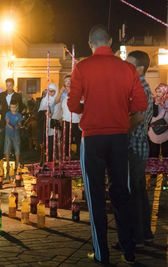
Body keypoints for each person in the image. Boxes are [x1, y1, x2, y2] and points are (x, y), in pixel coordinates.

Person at [68, 25, 147, 264]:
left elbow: (72, 105)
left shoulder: (81, 67)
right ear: (110, 41)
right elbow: (140, 104)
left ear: (90, 43)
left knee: (94, 195)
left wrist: (87, 109)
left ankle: (102, 253)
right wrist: (120, 110)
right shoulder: (128, 68)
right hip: (119, 137)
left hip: (92, 138)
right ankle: (128, 249)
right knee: (121, 192)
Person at [125, 50, 154, 248]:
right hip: (137, 144)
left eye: (130, 64)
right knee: (139, 191)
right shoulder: (138, 85)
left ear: (140, 68)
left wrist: (119, 130)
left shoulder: (141, 87)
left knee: (134, 191)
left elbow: (138, 117)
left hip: (135, 145)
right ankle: (145, 233)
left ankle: (136, 237)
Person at [55, 75, 82, 159]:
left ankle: (78, 155)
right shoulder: (62, 93)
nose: (68, 82)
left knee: (78, 138)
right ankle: (66, 155)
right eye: (66, 80)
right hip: (66, 118)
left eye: (70, 80)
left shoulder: (76, 91)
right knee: (66, 139)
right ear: (64, 82)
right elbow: (56, 101)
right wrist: (60, 93)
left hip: (76, 118)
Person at [0, 78, 23, 161]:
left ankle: (14, 157)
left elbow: (21, 107)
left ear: (13, 85)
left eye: (10, 85)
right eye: (7, 85)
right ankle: (0, 157)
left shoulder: (17, 96)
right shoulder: (2, 95)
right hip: (4, 121)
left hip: (14, 120)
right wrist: (2, 113)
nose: (8, 87)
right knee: (2, 139)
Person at [38, 84, 57, 162]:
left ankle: (53, 158)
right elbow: (40, 112)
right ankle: (47, 158)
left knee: (53, 141)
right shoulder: (44, 100)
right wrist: (45, 112)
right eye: (49, 91)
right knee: (47, 141)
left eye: (53, 91)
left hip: (54, 123)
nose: (51, 93)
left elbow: (59, 110)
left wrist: (53, 114)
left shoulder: (57, 99)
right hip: (46, 124)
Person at [148, 83, 168, 156]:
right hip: (154, 130)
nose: (157, 93)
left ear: (165, 91)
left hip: (165, 130)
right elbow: (154, 114)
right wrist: (156, 104)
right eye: (157, 91)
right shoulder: (154, 100)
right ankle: (154, 166)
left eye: (160, 91)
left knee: (165, 152)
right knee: (153, 152)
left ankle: (165, 167)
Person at [4, 99, 22, 171]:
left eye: (14, 107)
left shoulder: (18, 115)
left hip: (16, 134)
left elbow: (20, 123)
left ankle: (17, 164)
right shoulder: (8, 114)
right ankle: (7, 164)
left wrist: (18, 126)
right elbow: (7, 122)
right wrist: (9, 125)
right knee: (7, 148)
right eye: (11, 107)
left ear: (16, 107)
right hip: (8, 133)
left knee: (17, 149)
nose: (13, 109)